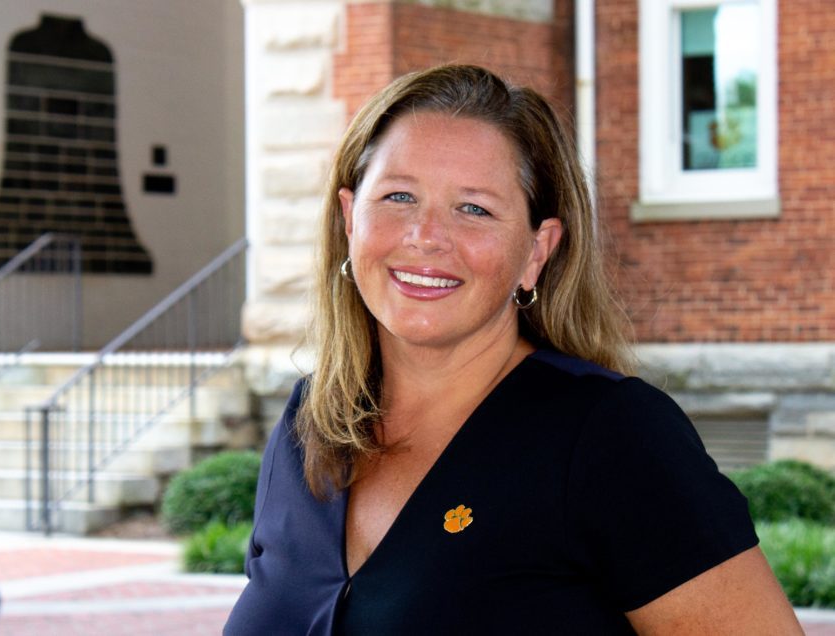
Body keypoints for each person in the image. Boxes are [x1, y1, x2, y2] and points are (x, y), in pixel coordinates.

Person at [224, 64, 800, 634]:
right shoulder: (312, 422)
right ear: (351, 218)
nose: (426, 235)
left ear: (536, 251)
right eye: (398, 196)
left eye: (474, 208)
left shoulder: (611, 435)